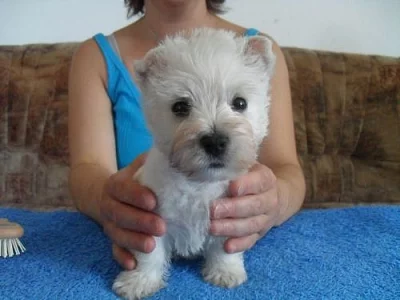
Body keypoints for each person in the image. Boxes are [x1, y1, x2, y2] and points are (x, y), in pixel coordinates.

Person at [68, 0, 306, 271]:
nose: (215, 135)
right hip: (148, 234)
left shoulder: (257, 49)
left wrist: (275, 202)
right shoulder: (97, 57)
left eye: (238, 104)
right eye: (182, 108)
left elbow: (287, 169)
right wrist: (108, 202)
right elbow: (87, 168)